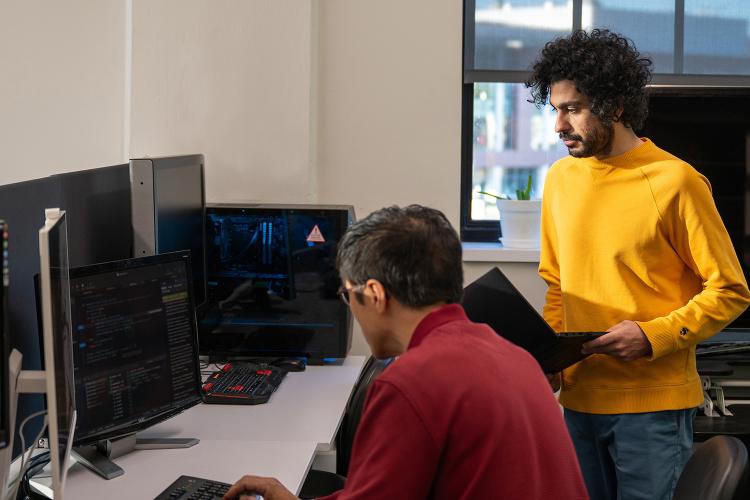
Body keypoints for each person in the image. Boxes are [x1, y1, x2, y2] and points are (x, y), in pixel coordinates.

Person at [223, 205, 588, 500]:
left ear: (376, 295)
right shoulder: (514, 356)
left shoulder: (408, 383)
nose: (350, 306)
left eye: (348, 296)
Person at [526, 29, 750, 500]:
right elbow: (557, 284)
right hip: (579, 401)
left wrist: (653, 336)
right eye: (555, 109)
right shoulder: (561, 179)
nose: (559, 125)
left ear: (615, 106)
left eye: (573, 109)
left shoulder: (676, 182)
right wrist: (552, 362)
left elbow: (730, 290)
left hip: (652, 410)